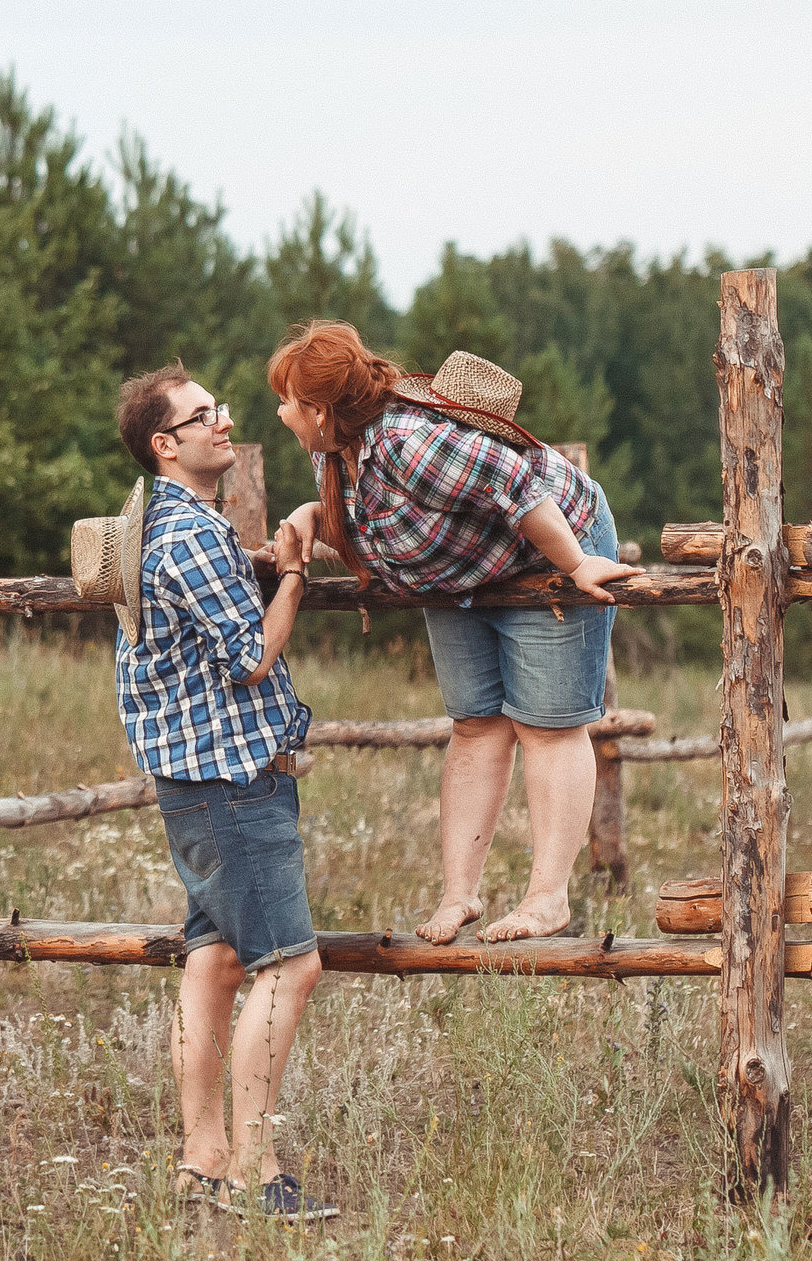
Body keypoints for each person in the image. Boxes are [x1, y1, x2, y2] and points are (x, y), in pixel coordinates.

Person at [266, 324, 640, 946]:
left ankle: (547, 898)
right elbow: (385, 522)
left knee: (548, 726)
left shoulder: (410, 442)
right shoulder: (334, 451)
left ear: (320, 409)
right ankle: (459, 896)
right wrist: (314, 516)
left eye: (286, 401)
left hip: (546, 548)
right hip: (457, 573)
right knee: (475, 724)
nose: (280, 413)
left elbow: (519, 485)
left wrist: (576, 564)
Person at [80, 363, 337, 1221]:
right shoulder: (188, 533)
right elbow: (251, 656)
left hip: (191, 781)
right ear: (166, 443)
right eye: (202, 416)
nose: (222, 423)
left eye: (218, 410)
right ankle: (258, 1172)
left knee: (215, 959)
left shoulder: (155, 521)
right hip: (230, 778)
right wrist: (293, 574)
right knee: (291, 966)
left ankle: (201, 1159)